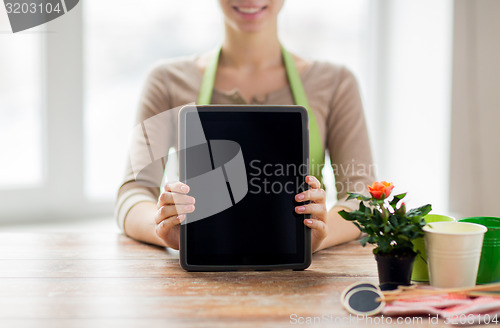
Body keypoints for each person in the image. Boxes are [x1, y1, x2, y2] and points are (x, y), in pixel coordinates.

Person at [115, 0, 375, 253]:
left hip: (301, 278)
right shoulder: (167, 81)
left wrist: (316, 236)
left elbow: (363, 198)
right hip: (203, 276)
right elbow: (134, 192)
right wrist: (167, 230)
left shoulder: (336, 83)